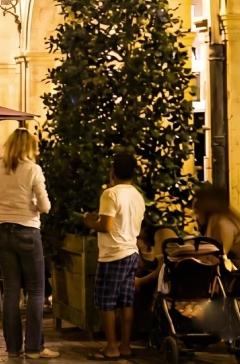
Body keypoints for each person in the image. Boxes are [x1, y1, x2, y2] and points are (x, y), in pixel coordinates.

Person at [0, 128, 56, 359]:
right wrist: (32, 207)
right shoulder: (33, 170)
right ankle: (35, 347)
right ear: (29, 147)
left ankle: (13, 348)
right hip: (27, 230)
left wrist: (5, 208)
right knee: (36, 290)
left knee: (11, 290)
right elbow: (45, 206)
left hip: (1, 231)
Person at [83, 152, 146, 360]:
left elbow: (106, 225)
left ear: (113, 171)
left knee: (105, 301)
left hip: (113, 254)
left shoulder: (110, 194)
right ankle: (125, 345)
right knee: (127, 300)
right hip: (131, 251)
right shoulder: (137, 195)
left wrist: (89, 221)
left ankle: (111, 346)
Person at [194, 182, 240, 270]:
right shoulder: (231, 217)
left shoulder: (221, 221)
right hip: (238, 269)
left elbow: (217, 254)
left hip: (232, 273)